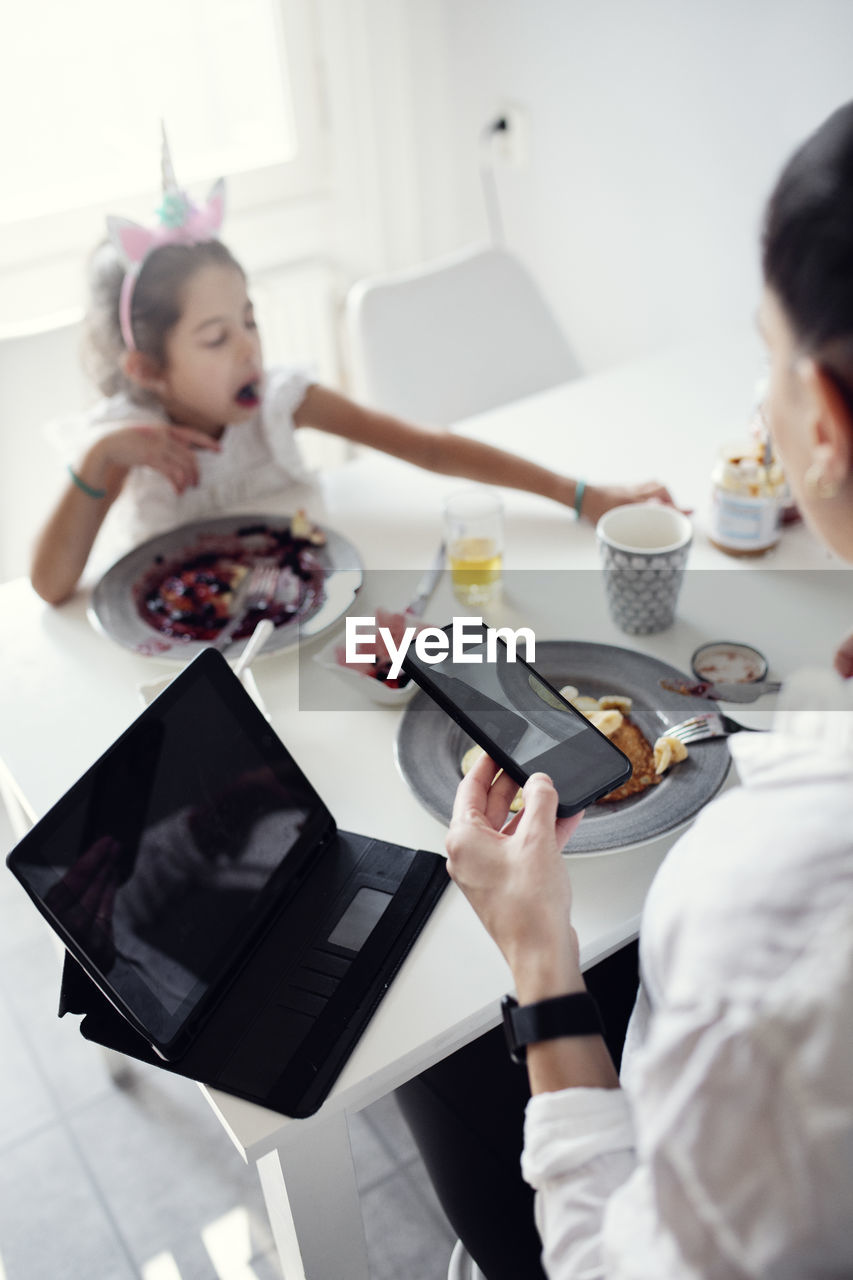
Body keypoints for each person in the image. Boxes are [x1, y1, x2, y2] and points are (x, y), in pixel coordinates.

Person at [400, 102, 853, 1278]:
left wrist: (538, 953)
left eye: (765, 357)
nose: (758, 411)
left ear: (824, 420)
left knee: (427, 1044)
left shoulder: (769, 914)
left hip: (652, 1185)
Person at [30, 136, 674, 605]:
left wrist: (583, 495)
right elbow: (50, 586)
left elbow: (427, 446)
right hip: (189, 648)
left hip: (304, 616)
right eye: (216, 337)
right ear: (148, 369)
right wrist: (96, 460)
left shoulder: (281, 400)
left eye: (250, 320)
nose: (249, 349)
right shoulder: (129, 442)